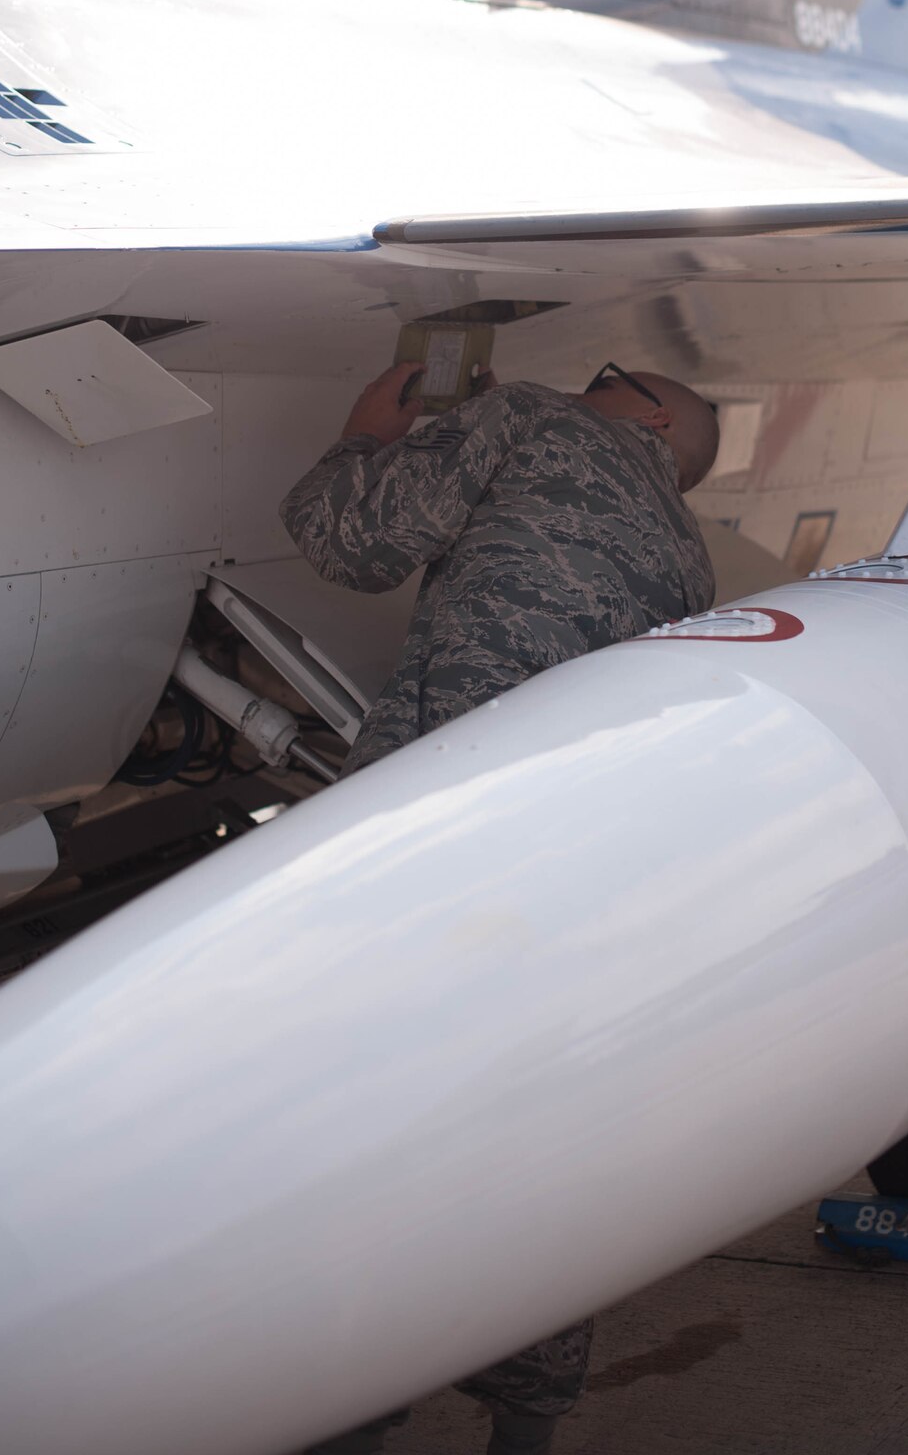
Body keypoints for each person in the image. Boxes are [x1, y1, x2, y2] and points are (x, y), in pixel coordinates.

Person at [279, 360, 719, 1455]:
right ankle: (521, 1420)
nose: (586, 377)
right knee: (527, 1142)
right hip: (559, 889)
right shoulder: (686, 561)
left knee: (365, 1124)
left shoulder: (534, 416)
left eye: (611, 374)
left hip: (425, 852)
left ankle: (349, 1411)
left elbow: (345, 539)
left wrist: (357, 431)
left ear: (652, 414)